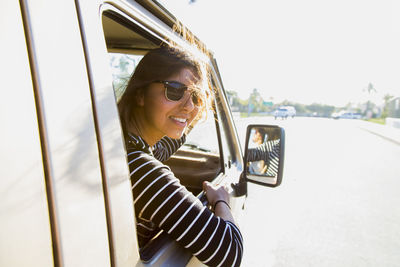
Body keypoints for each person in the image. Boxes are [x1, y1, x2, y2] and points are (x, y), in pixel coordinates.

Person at [118, 46, 243, 266]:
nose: (189, 106)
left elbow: (173, 137)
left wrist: (199, 89)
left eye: (195, 96)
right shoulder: (141, 170)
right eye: (174, 90)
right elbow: (230, 251)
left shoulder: (126, 146)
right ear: (140, 94)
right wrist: (221, 200)